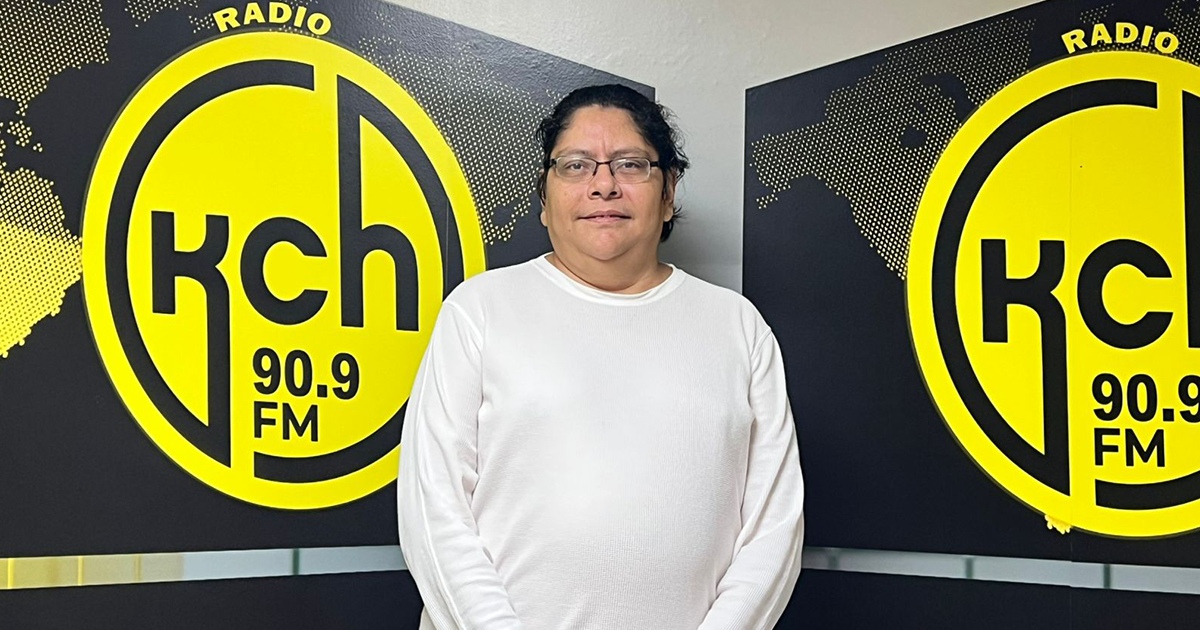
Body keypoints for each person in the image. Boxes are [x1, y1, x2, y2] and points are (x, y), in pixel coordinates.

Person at [397, 84, 804, 630]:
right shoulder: (479, 311)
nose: (603, 185)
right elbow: (434, 511)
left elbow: (774, 526)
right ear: (545, 199)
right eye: (575, 165)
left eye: (631, 164)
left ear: (668, 192)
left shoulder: (738, 326)